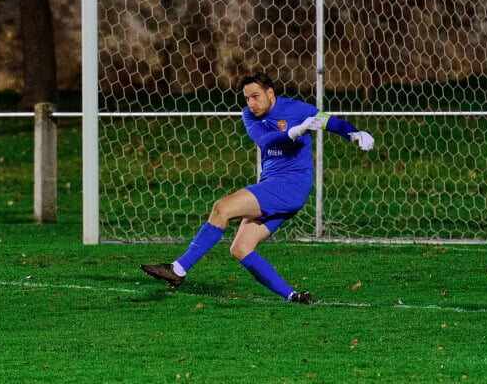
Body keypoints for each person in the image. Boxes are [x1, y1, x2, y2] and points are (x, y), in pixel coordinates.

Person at [140, 72, 375, 304]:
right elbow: (265, 140)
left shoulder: (296, 109)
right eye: (247, 99)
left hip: (289, 186)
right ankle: (293, 296)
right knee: (241, 248)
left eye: (256, 96)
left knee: (222, 208)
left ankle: (178, 269)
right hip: (272, 185)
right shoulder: (249, 116)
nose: (251, 104)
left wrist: (354, 133)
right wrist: (294, 131)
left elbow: (330, 122)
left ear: (270, 93)